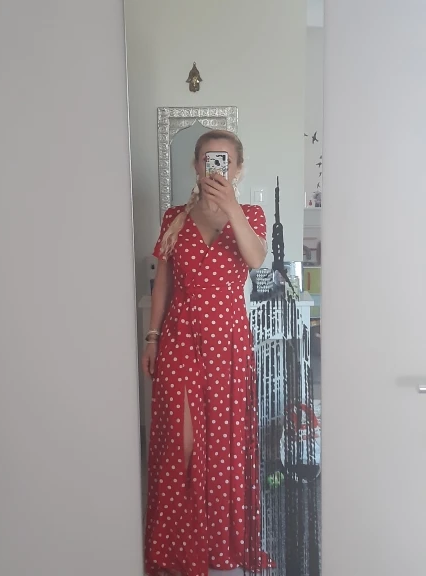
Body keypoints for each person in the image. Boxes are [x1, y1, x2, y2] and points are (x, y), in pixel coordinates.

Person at [142, 130, 272, 576]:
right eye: (207, 160)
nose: (215, 168)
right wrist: (152, 337)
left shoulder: (251, 214)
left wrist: (232, 209)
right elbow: (163, 283)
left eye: (225, 161)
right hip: (179, 337)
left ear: (238, 169)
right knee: (182, 442)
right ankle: (178, 546)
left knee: (223, 444)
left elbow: (256, 260)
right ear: (196, 166)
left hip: (228, 343)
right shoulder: (174, 217)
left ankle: (218, 543)